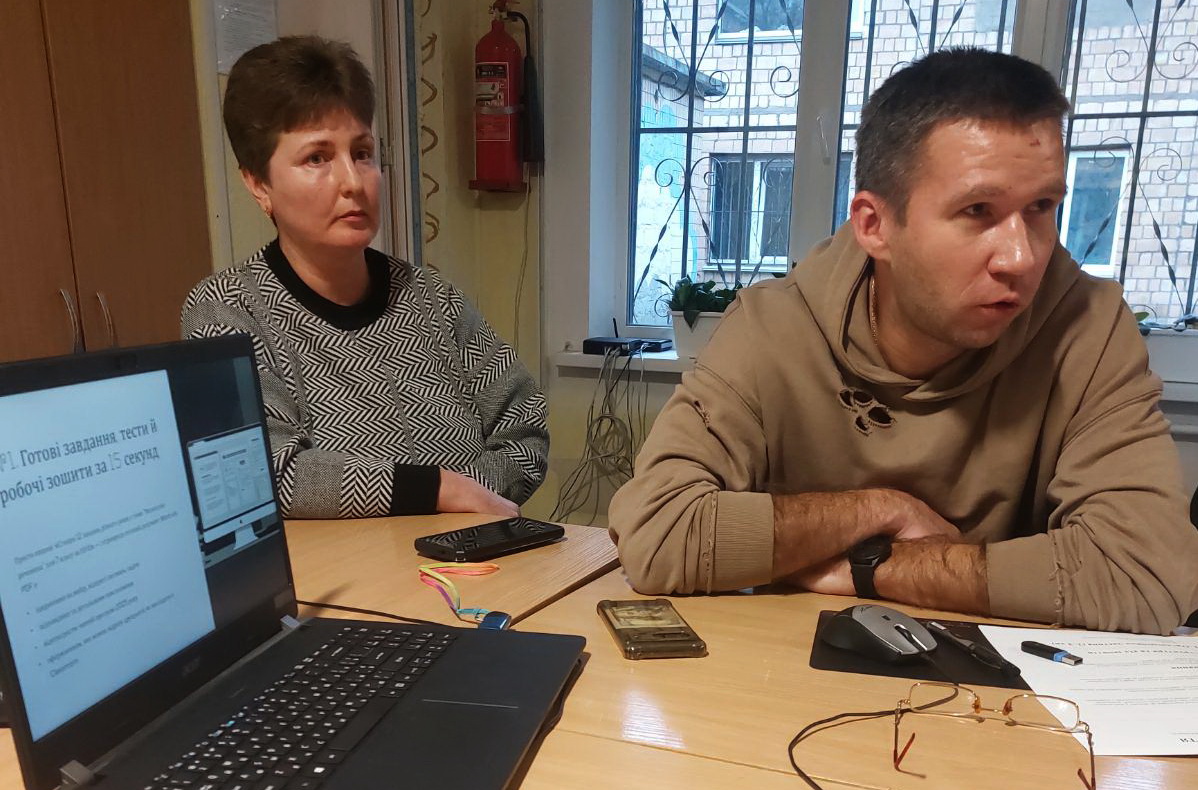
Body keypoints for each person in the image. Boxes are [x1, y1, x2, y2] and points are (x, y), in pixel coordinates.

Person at [608, 48, 1198, 635]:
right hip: (784, 670)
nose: (1021, 258)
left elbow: (1147, 576)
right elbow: (658, 535)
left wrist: (870, 568)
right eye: (978, 210)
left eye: (1041, 207)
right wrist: (883, 509)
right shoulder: (774, 324)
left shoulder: (1087, 326)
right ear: (875, 226)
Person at [182, 36, 547, 520]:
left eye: (362, 152)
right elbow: (262, 472)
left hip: (474, 553)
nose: (353, 182)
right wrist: (434, 490)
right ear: (258, 183)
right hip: (348, 569)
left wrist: (464, 503)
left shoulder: (433, 298)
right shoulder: (227, 309)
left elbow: (524, 430)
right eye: (317, 158)